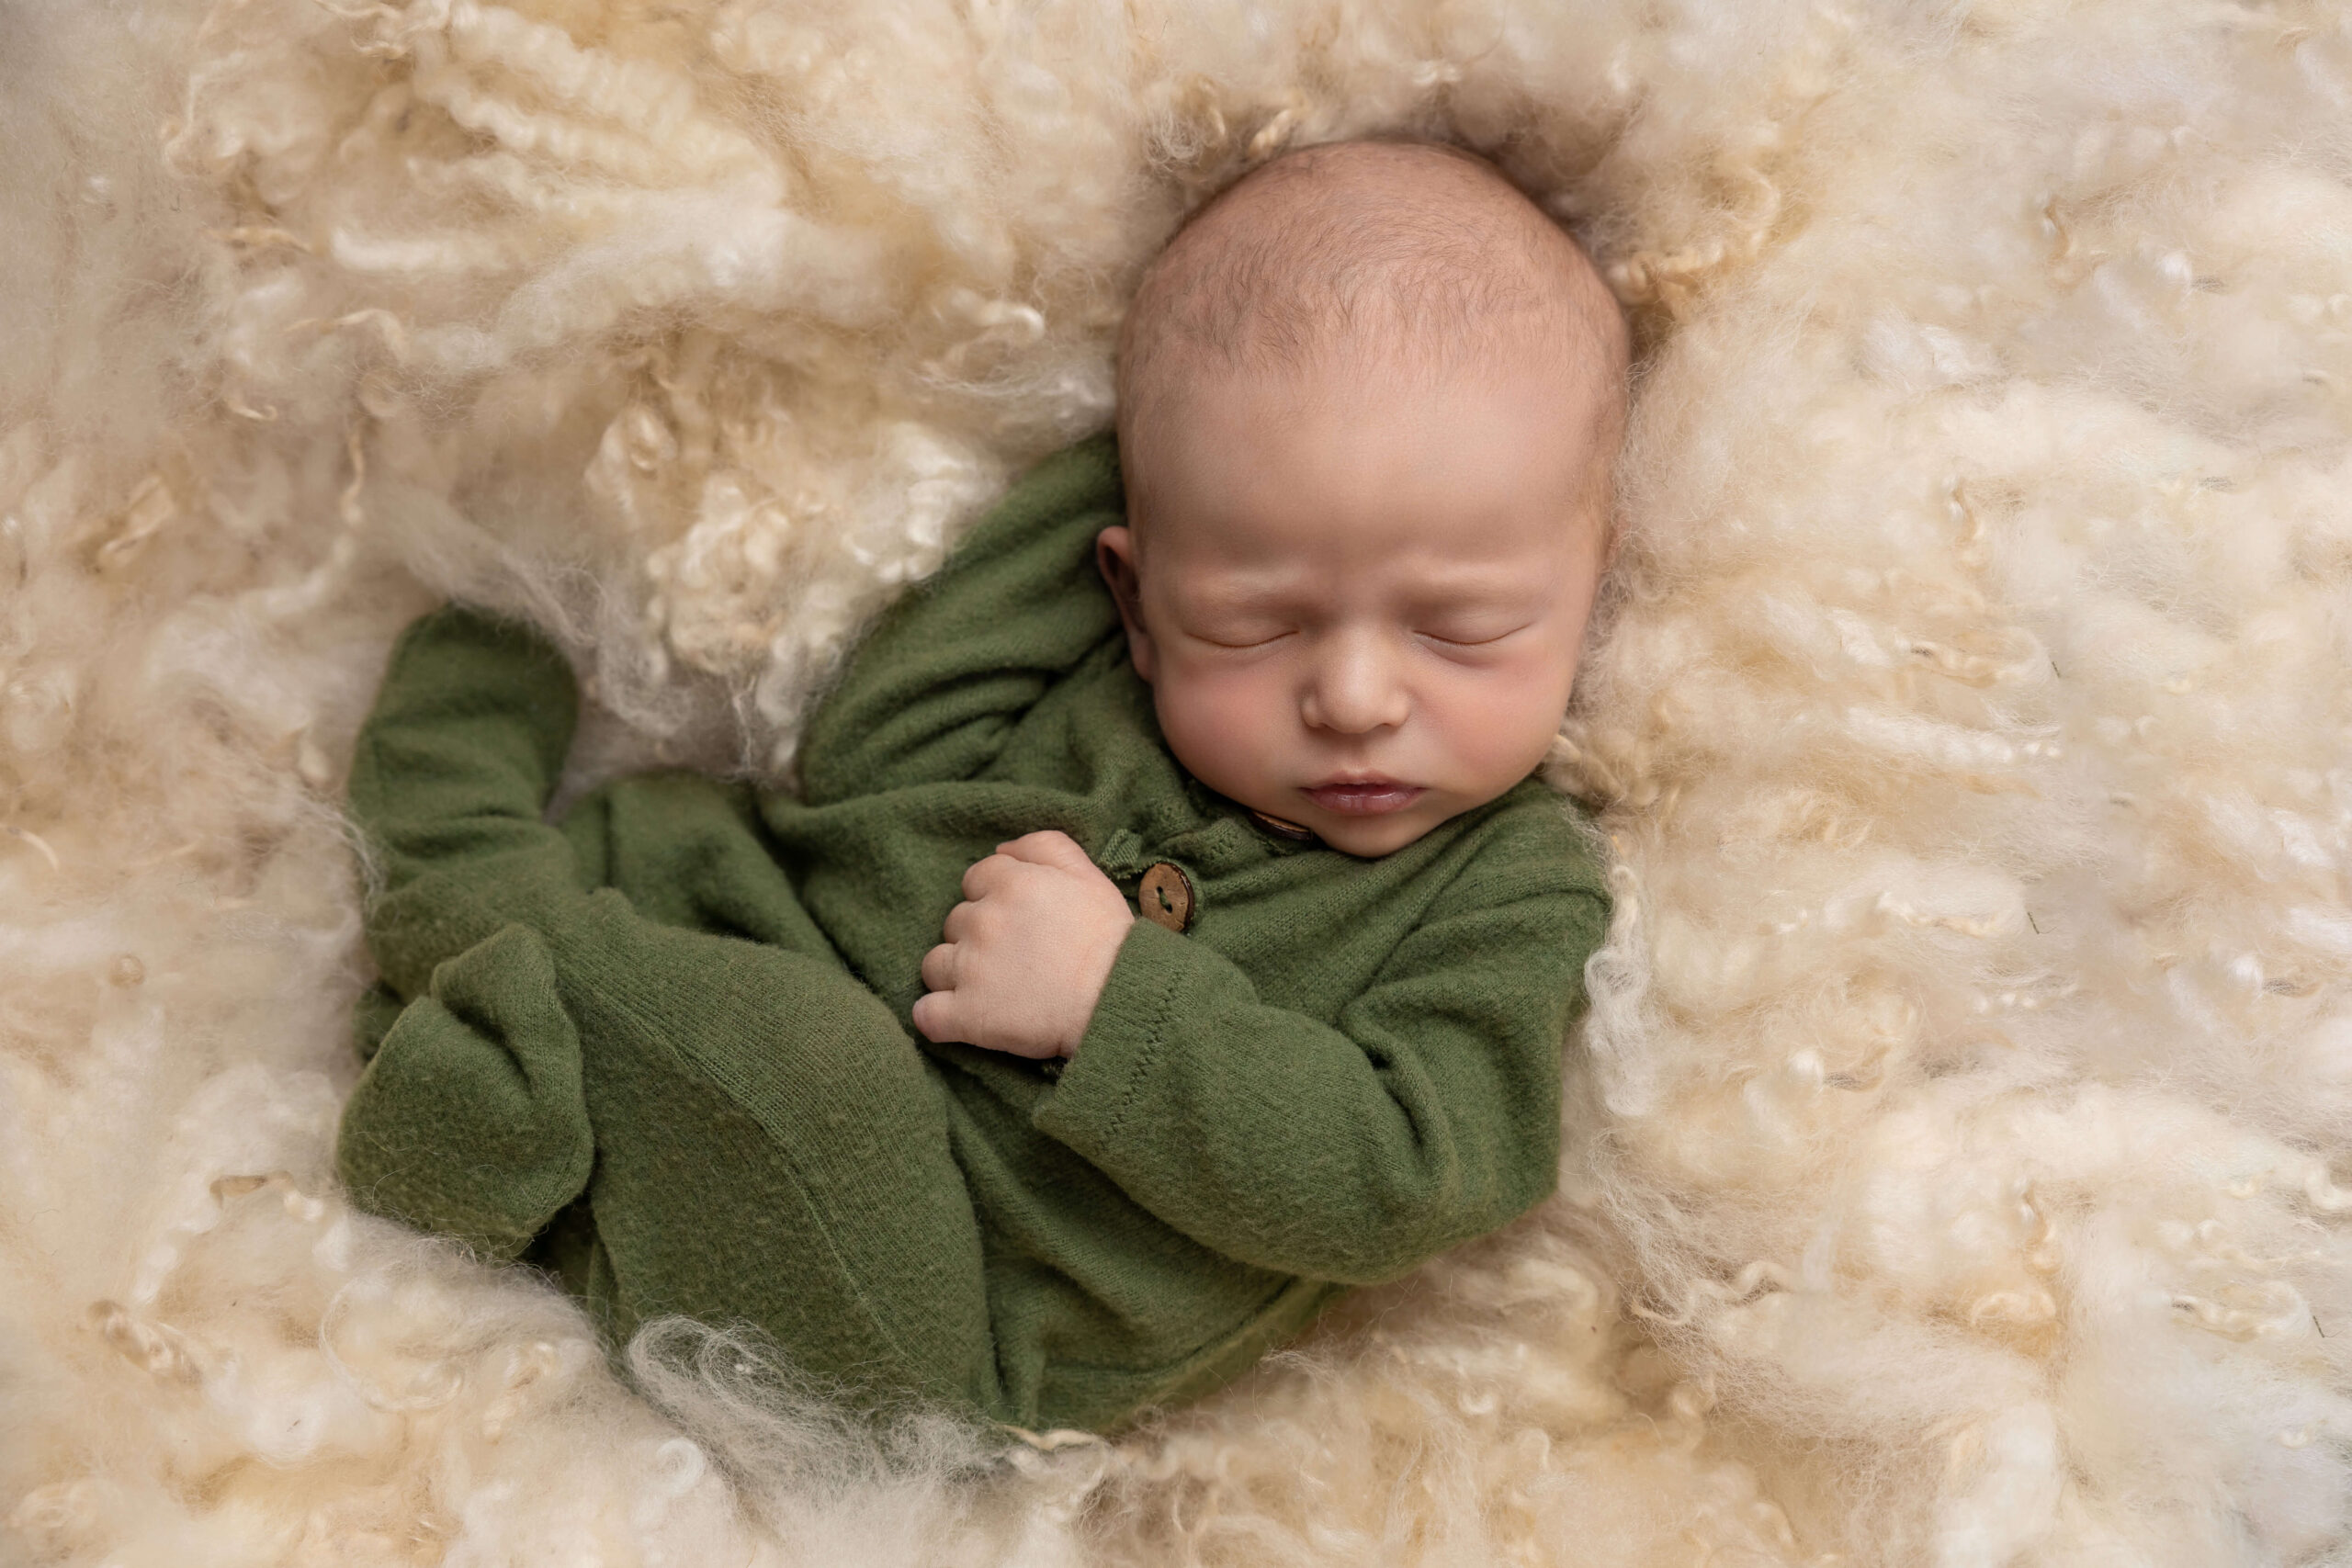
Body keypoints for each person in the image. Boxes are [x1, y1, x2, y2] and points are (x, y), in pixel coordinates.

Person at [334, 139, 1628, 1437]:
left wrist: (1118, 1006)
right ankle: (504, 1111)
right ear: (1133, 593)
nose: (1354, 697)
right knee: (721, 983)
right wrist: (1173, 464)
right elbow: (869, 750)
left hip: (928, 1341)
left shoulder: (1511, 884)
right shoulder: (1095, 686)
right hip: (709, 944)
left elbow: (1411, 1174)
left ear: (1589, 589)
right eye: (1256, 622)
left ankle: (466, 907)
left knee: (804, 1066)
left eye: (1459, 632)